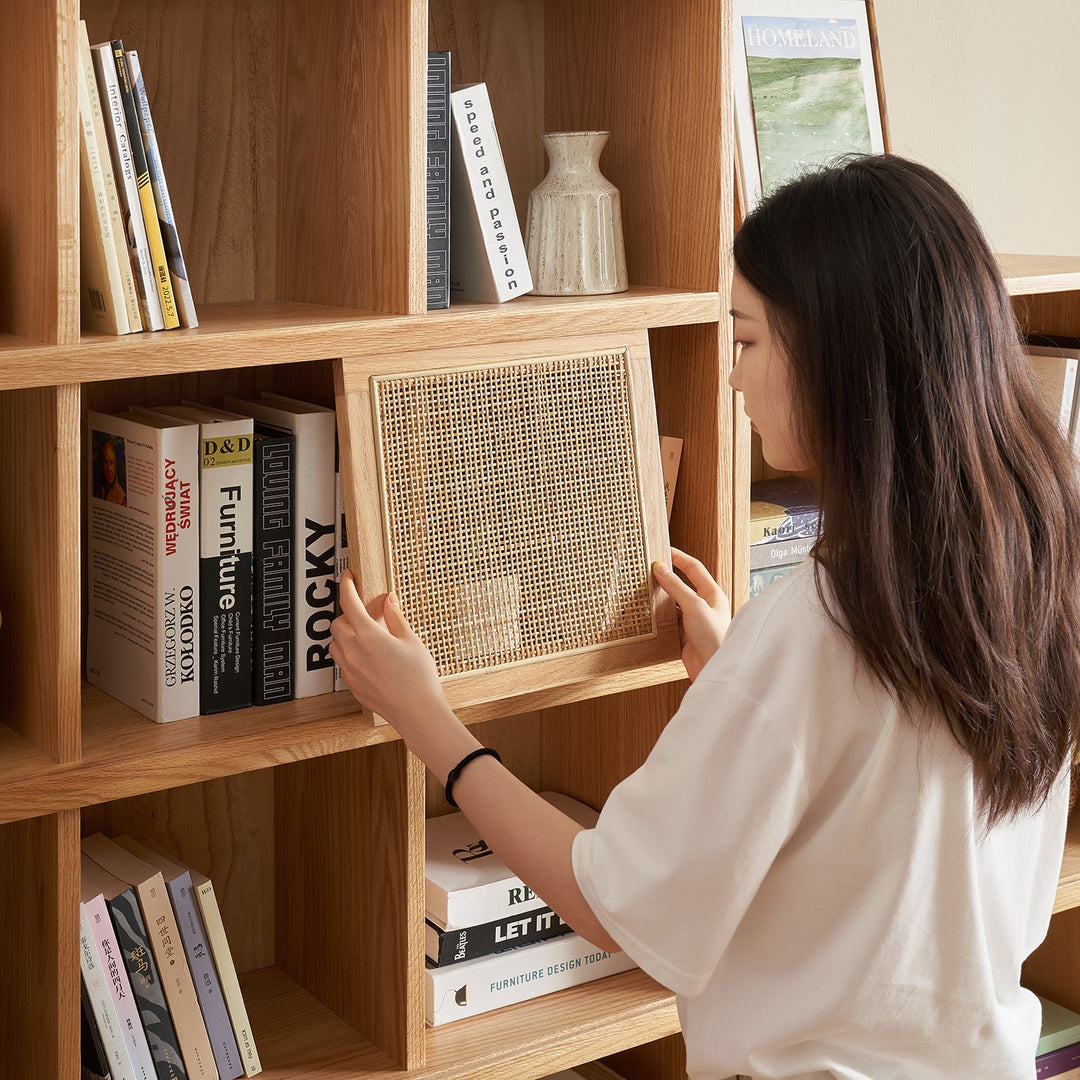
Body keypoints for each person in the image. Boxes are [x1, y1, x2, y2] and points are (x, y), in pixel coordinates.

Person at [328, 155, 1080, 1080]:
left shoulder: (814, 631)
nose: (731, 379)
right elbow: (894, 809)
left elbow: (616, 906)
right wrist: (736, 684)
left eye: (750, 342)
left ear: (839, 358)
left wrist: (428, 722)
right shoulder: (1035, 572)